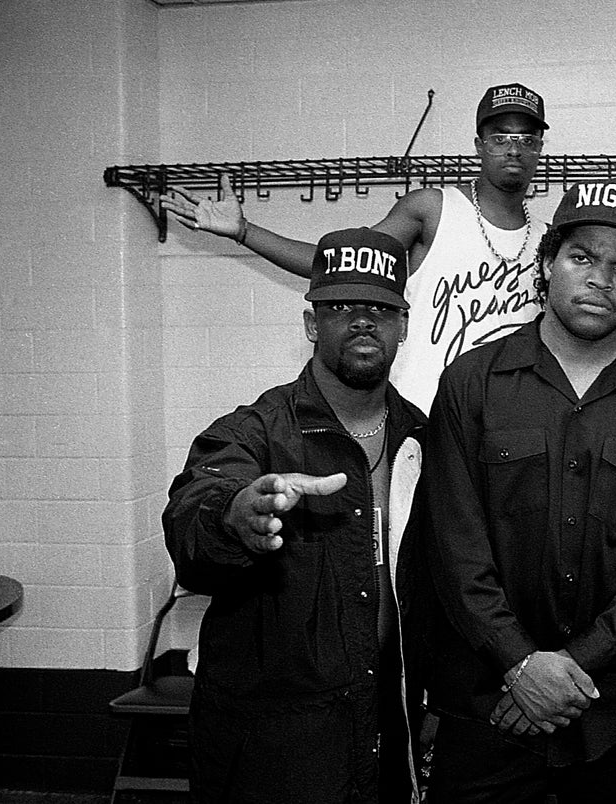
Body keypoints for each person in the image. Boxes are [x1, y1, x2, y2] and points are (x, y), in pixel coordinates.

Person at [410, 180, 616, 802]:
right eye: (582, 258)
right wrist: (519, 663)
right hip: (490, 709)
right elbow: (453, 542)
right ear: (547, 265)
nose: (601, 279)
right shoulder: (473, 383)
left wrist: (575, 669)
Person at [163, 228, 428, 803]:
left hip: (387, 726)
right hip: (274, 747)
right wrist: (237, 516)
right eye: (341, 307)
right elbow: (191, 516)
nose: (363, 320)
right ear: (312, 324)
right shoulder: (255, 430)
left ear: (403, 327)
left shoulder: (423, 439)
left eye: (381, 308)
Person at [160, 83, 553, 410]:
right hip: (427, 413)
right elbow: (335, 265)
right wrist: (244, 231)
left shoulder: (549, 241)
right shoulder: (433, 209)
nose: (513, 149)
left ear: (539, 149)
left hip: (508, 423)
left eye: (526, 139)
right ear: (479, 145)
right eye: (500, 138)